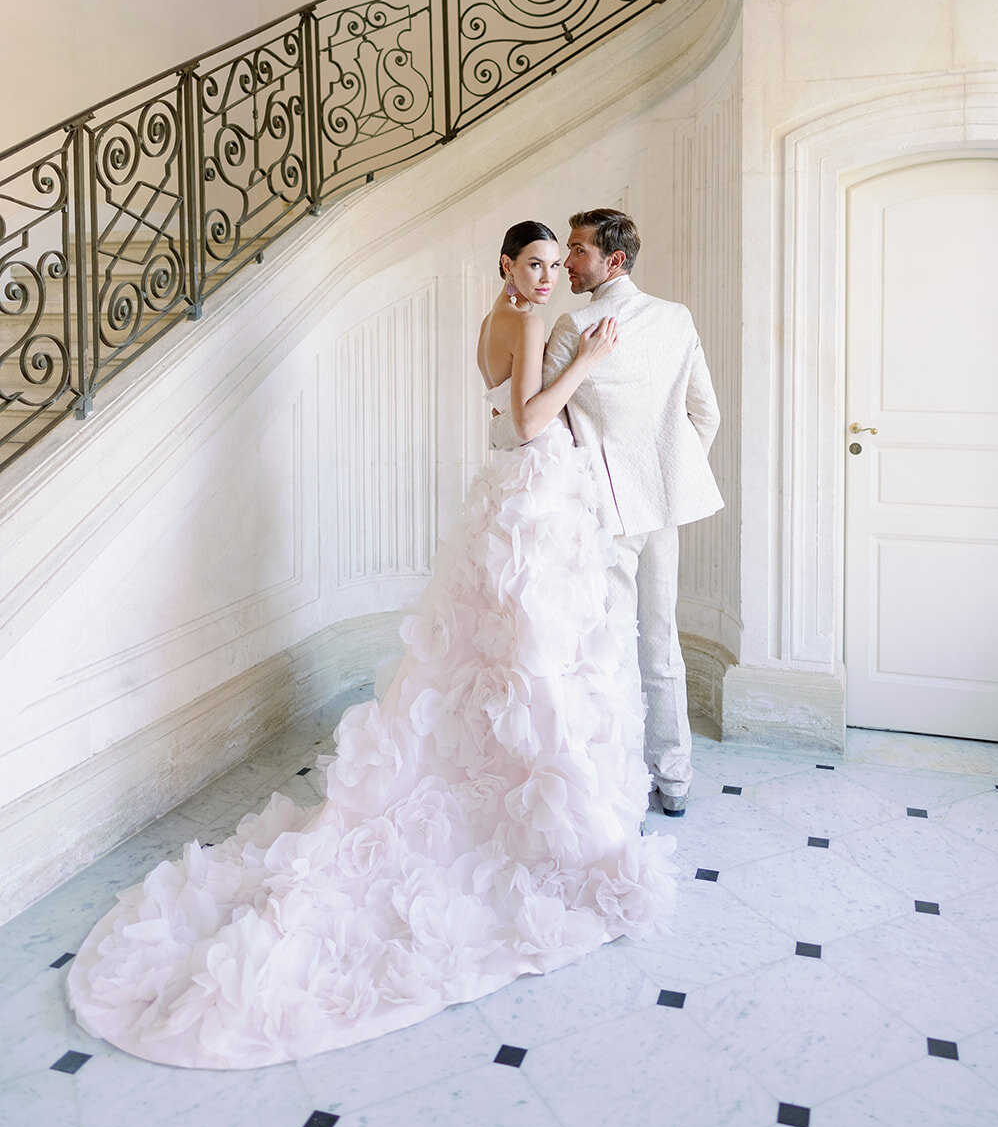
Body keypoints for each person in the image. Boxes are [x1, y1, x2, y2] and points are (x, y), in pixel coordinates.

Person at [66, 221, 675, 1070]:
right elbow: (534, 422)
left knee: (492, 659)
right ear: (506, 264)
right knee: (531, 659)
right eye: (532, 264)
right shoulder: (536, 323)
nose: (544, 278)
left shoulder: (492, 317)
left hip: (501, 497)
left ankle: (501, 771)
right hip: (530, 495)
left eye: (550, 265)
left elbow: (498, 399)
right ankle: (534, 805)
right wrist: (590, 363)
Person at [542, 209, 722, 818]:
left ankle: (620, 784)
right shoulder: (677, 319)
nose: (567, 261)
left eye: (577, 251)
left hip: (604, 513)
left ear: (613, 261)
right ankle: (675, 777)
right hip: (661, 508)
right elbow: (707, 415)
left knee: (612, 646)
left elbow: (549, 430)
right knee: (662, 642)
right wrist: (670, 474)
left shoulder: (575, 323)